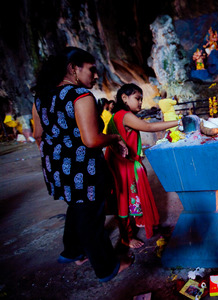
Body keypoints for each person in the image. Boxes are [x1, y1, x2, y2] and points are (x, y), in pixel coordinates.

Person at [31, 46, 132, 282]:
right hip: (82, 168)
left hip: (56, 167)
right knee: (91, 219)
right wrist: (116, 137)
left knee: (76, 207)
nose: (96, 76)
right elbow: (91, 140)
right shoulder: (80, 96)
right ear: (73, 69)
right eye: (91, 70)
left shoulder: (42, 97)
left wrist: (57, 156)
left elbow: (38, 135)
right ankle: (107, 267)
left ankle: (72, 252)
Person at [105, 83, 180, 249]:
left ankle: (131, 231)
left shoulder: (116, 115)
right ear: (124, 98)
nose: (140, 102)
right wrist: (177, 123)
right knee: (124, 202)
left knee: (125, 201)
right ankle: (126, 238)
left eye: (141, 99)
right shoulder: (124, 115)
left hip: (122, 165)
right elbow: (148, 127)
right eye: (137, 98)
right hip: (125, 167)